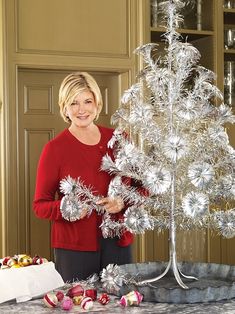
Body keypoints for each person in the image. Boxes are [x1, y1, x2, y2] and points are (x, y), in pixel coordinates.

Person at [33, 72, 133, 282]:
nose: (81, 109)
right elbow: (40, 205)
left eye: (87, 101)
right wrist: (68, 208)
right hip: (74, 248)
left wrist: (122, 202)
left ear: (97, 103)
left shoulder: (119, 140)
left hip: (117, 242)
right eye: (74, 103)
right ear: (65, 108)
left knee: (120, 307)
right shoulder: (54, 149)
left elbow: (141, 188)